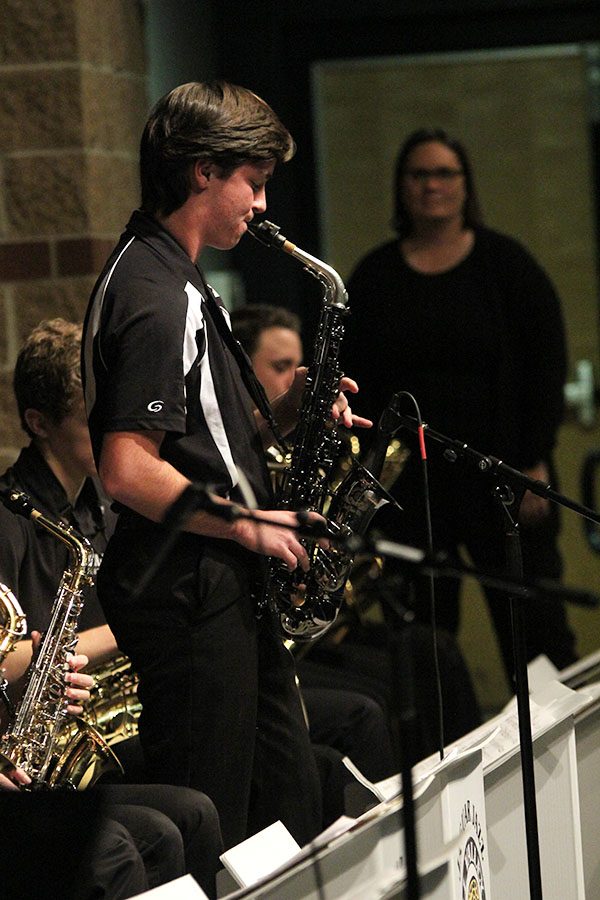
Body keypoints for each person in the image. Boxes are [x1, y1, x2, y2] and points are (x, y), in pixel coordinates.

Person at [81, 80, 371, 851]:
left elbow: (200, 441)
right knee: (220, 820)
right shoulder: (153, 292)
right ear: (203, 170)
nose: (264, 203)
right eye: (255, 180)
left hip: (220, 584)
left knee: (289, 805)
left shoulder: (173, 274)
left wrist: (292, 413)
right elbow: (126, 469)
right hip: (190, 589)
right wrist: (250, 524)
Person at [342, 127, 577, 685]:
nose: (432, 186)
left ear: (466, 185)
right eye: (418, 174)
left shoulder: (506, 264)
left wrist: (536, 461)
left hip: (506, 474)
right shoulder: (375, 277)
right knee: (425, 644)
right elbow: (357, 381)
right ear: (401, 188)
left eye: (445, 173)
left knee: (537, 631)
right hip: (414, 489)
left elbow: (547, 363)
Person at [0, 318, 223, 898]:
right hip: (33, 750)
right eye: (89, 419)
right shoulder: (11, 519)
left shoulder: (95, 505)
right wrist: (122, 634)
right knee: (141, 836)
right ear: (38, 423)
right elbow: (10, 655)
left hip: (78, 728)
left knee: (196, 809)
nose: (109, 434)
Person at [231, 302, 483, 765]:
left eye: (299, 366)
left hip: (317, 631)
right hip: (276, 643)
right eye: (281, 367)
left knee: (437, 652)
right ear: (243, 371)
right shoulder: (235, 460)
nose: (294, 380)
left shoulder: (294, 446)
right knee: (379, 699)